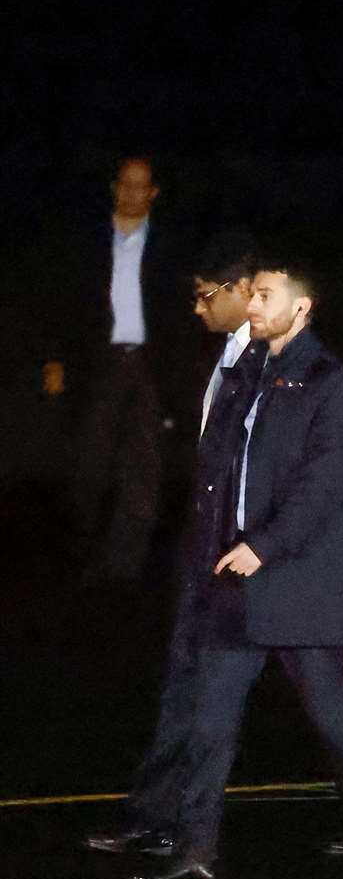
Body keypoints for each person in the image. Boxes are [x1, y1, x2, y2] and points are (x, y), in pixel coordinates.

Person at [129, 262, 343, 879]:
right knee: (211, 717)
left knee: (337, 710)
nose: (254, 304)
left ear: (302, 309)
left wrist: (261, 547)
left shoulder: (332, 386)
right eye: (254, 294)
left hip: (298, 582)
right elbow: (217, 472)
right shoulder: (247, 374)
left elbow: (325, 486)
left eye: (267, 296)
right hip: (231, 580)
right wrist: (210, 551)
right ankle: (195, 853)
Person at [82, 229, 264, 859]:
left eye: (206, 295)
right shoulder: (218, 357)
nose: (197, 307)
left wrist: (257, 543)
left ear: (244, 291)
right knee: (183, 685)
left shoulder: (270, 361)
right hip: (206, 549)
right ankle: (156, 819)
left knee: (323, 692)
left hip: (251, 560)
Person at [47, 156, 191, 585]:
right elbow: (66, 303)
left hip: (149, 364)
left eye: (141, 186)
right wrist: (57, 360)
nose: (132, 192)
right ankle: (81, 549)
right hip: (101, 363)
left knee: (144, 467)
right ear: (114, 187)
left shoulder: (168, 246)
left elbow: (181, 314)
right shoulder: (88, 241)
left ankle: (124, 566)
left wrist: (182, 373)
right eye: (125, 184)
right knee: (89, 465)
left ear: (154, 193)